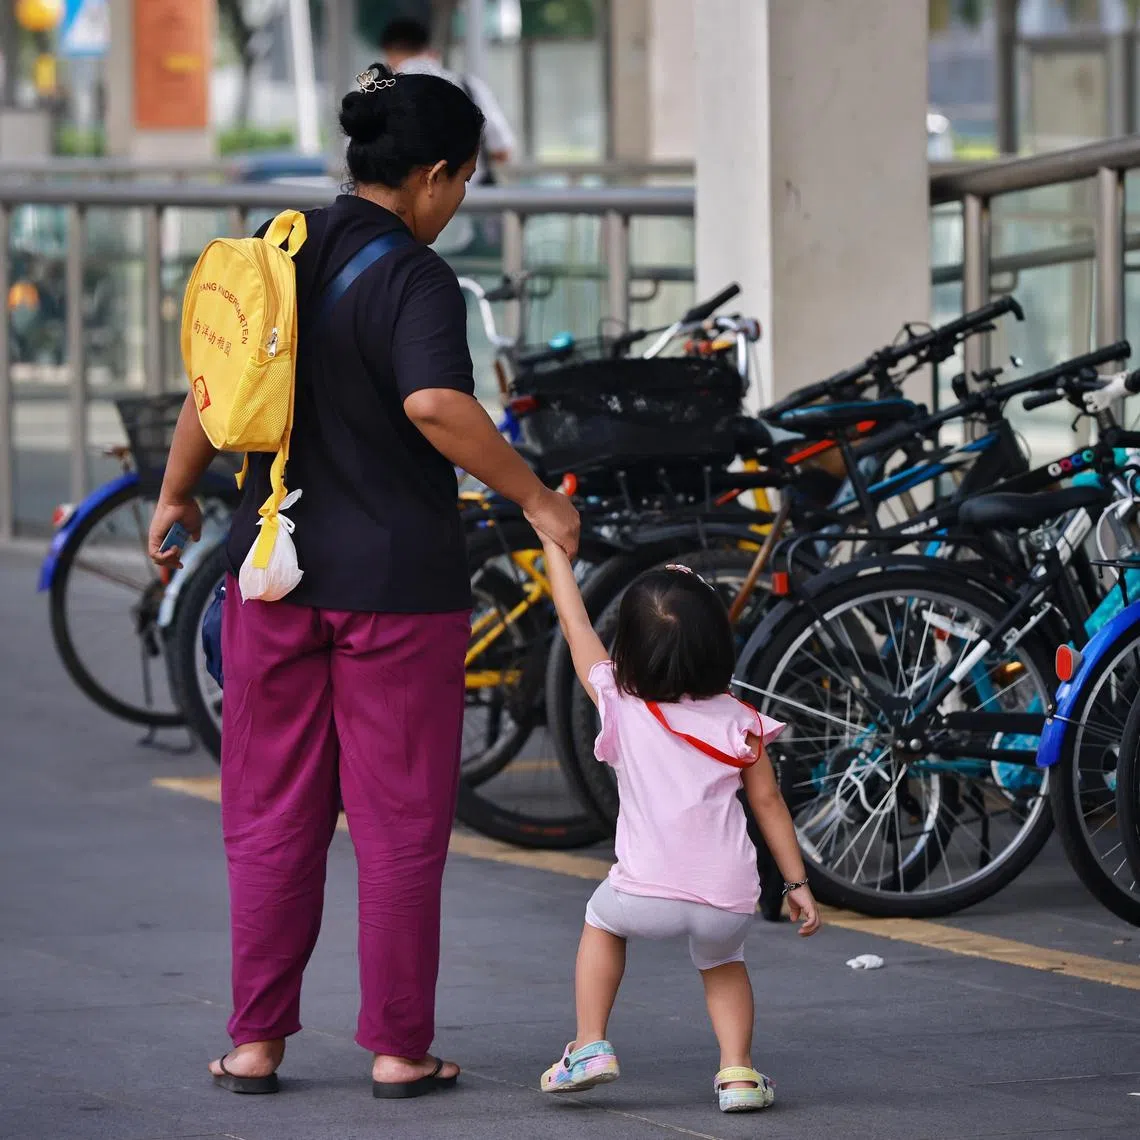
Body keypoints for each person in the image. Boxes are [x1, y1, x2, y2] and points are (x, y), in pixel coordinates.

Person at [147, 63, 578, 1100]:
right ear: (430, 174)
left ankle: (254, 1043)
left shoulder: (275, 249)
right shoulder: (418, 280)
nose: (460, 201)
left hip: (272, 576)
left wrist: (174, 494)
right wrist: (535, 499)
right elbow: (435, 402)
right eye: (464, 182)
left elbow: (217, 383)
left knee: (269, 814)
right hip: (395, 586)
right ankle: (397, 1047)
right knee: (396, 822)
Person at [533, 538, 821, 1113]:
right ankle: (737, 1073)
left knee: (600, 922)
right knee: (724, 964)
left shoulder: (617, 699)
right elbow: (768, 805)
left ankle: (590, 1046)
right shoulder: (742, 722)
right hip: (728, 898)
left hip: (643, 891)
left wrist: (555, 553)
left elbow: (574, 623)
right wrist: (796, 884)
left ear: (629, 651)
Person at [380, 16, 515, 184]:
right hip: (472, 201)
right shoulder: (469, 86)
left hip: (403, 205)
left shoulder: (376, 92)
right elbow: (502, 150)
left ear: (387, 52)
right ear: (426, 47)